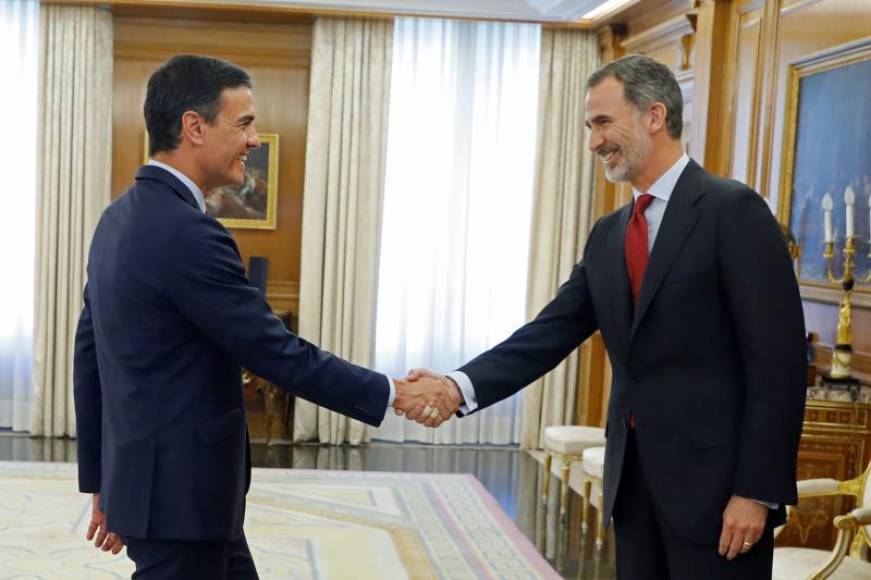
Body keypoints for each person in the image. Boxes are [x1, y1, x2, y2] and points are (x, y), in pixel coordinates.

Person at [406, 55, 806, 579]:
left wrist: (756, 491)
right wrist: (458, 387)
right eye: (589, 127)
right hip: (634, 487)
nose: (593, 142)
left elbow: (778, 366)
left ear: (654, 116)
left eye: (602, 123)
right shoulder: (610, 233)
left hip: (719, 496)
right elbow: (548, 333)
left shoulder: (734, 212)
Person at [73, 54, 458, 579]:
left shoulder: (116, 220)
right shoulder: (188, 233)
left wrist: (104, 480)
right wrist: (393, 392)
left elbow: (89, 353)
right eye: (245, 123)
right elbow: (275, 352)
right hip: (179, 500)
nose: (254, 140)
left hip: (165, 495)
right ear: (194, 126)